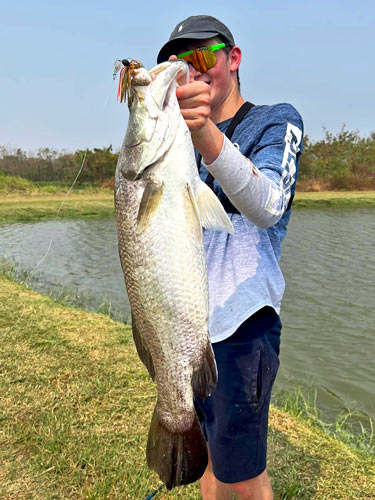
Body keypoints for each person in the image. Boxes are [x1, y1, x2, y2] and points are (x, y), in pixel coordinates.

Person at [157, 15, 303, 500]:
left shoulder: (275, 121)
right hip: (188, 330)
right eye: (176, 64)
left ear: (233, 58)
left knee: (243, 475)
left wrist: (205, 135)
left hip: (243, 329)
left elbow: (267, 206)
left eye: (201, 58)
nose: (190, 72)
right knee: (207, 460)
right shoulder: (173, 138)